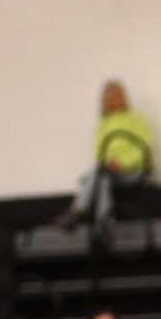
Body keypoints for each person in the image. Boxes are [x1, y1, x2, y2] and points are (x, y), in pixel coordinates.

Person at [60, 79, 154, 228]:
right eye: (112, 95)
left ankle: (77, 210)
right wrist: (110, 164)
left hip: (135, 170)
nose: (116, 98)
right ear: (106, 100)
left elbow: (143, 149)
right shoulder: (103, 125)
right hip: (109, 172)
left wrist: (122, 163)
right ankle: (105, 226)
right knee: (103, 179)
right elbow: (98, 154)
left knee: (97, 176)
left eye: (119, 94)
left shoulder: (136, 119)